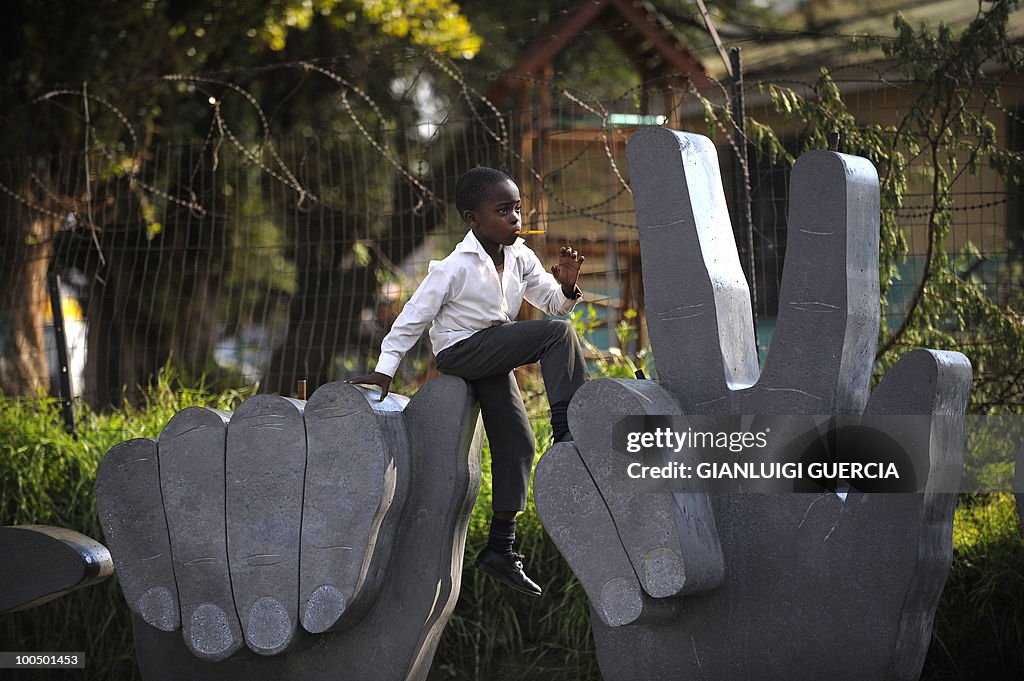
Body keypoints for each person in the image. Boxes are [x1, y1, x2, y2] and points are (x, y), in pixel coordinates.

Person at [347, 166, 588, 596]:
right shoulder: (453, 267)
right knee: (556, 336)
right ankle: (571, 428)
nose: (514, 218)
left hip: (493, 354)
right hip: (461, 352)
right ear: (473, 219)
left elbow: (553, 304)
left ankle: (500, 548)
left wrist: (568, 287)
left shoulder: (521, 257)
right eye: (502, 211)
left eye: (516, 208)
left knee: (517, 443)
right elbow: (412, 317)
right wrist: (385, 369)